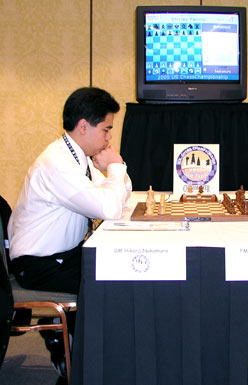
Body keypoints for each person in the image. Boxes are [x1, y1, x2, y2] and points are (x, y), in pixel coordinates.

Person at [7, 86, 132, 378]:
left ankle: (80, 353)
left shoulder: (77, 156)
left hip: (63, 255)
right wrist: (116, 167)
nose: (109, 137)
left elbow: (119, 196)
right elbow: (110, 207)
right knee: (107, 285)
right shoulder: (57, 164)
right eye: (106, 129)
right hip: (38, 265)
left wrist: (116, 170)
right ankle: (76, 362)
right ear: (84, 126)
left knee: (116, 273)